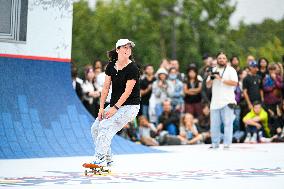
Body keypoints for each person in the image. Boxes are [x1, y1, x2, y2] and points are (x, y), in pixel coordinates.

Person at [90, 39, 140, 167]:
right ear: (117, 49)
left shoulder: (133, 68)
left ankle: (100, 158)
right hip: (114, 106)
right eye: (125, 47)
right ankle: (107, 157)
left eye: (129, 48)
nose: (128, 49)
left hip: (130, 107)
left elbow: (127, 92)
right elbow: (105, 88)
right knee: (95, 128)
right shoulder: (111, 66)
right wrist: (102, 108)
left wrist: (115, 108)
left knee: (106, 125)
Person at [206, 52, 238, 149]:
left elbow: (234, 83)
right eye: (219, 58)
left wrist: (221, 79)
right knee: (214, 125)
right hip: (215, 102)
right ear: (217, 60)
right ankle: (215, 143)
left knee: (228, 124)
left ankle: (227, 144)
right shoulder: (213, 70)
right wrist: (211, 78)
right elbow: (208, 85)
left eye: (223, 58)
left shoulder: (231, 70)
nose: (221, 60)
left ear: (226, 60)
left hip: (227, 101)